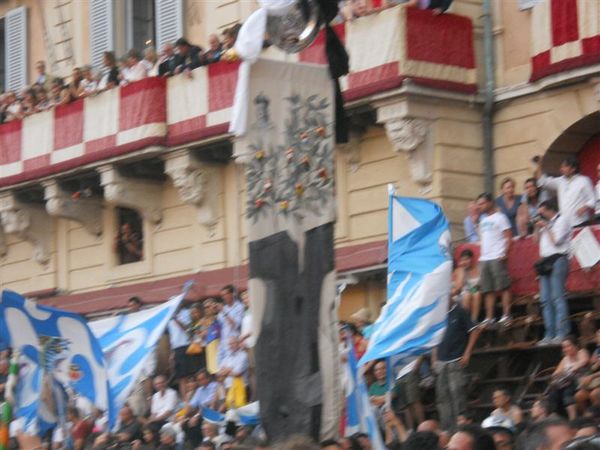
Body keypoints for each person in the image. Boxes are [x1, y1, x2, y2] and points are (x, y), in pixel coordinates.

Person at [432, 301, 483, 430]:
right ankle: (447, 430)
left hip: (456, 360)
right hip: (441, 362)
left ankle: (460, 429)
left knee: (457, 396)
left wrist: (467, 354)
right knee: (442, 398)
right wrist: (434, 358)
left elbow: (474, 330)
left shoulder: (460, 311)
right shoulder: (437, 315)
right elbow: (434, 339)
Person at [534, 199, 572, 345]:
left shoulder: (562, 220)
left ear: (550, 210)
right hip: (545, 261)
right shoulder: (544, 224)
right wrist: (537, 227)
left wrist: (547, 226)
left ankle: (562, 333)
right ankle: (549, 334)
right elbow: (535, 241)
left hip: (559, 259)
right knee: (545, 299)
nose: (540, 216)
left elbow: (556, 241)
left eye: (542, 213)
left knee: (557, 297)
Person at [476, 192, 513, 326]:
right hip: (484, 258)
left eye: (482, 203)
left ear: (490, 202)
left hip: (497, 255)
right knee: (487, 289)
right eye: (479, 204)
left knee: (503, 287)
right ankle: (489, 317)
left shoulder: (500, 217)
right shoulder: (482, 220)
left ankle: (506, 315)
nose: (480, 206)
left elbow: (508, 236)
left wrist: (505, 253)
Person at [534, 155, 596, 227]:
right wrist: (539, 164)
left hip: (581, 222)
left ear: (573, 169)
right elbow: (543, 182)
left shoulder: (584, 180)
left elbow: (592, 199)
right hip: (565, 225)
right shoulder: (560, 181)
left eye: (564, 167)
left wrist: (584, 208)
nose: (561, 169)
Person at [548, 336, 590, 420]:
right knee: (553, 391)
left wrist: (573, 368)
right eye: (564, 347)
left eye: (568, 346)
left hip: (580, 380)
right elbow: (556, 373)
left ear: (575, 346)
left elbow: (583, 361)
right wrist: (557, 375)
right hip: (566, 381)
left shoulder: (581, 352)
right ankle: (555, 415)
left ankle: (573, 418)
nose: (566, 349)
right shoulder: (565, 359)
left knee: (567, 391)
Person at [217, 285, 244, 366]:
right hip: (223, 343)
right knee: (221, 368)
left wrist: (224, 312)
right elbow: (220, 327)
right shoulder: (222, 309)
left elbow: (235, 325)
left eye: (225, 294)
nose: (224, 297)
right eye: (222, 295)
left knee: (234, 368)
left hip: (234, 344)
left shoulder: (239, 307)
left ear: (232, 294)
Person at [451, 249, 481, 323]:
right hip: (469, 291)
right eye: (462, 260)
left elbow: (481, 285)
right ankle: (468, 321)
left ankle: (474, 320)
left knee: (475, 293)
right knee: (470, 294)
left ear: (472, 259)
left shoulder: (480, 268)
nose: (464, 262)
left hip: (479, 289)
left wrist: (472, 290)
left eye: (466, 259)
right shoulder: (463, 270)